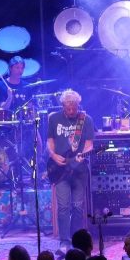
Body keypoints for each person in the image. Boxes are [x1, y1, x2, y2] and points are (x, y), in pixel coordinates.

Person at [47, 89, 94, 248]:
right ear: (63, 106)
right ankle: (64, 241)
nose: (72, 111)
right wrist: (53, 155)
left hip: (79, 170)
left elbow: (89, 145)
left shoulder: (86, 120)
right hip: (60, 170)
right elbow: (50, 141)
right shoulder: (54, 118)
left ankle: (76, 240)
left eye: (74, 108)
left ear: (78, 105)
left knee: (77, 207)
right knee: (63, 207)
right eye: (68, 108)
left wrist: (83, 155)